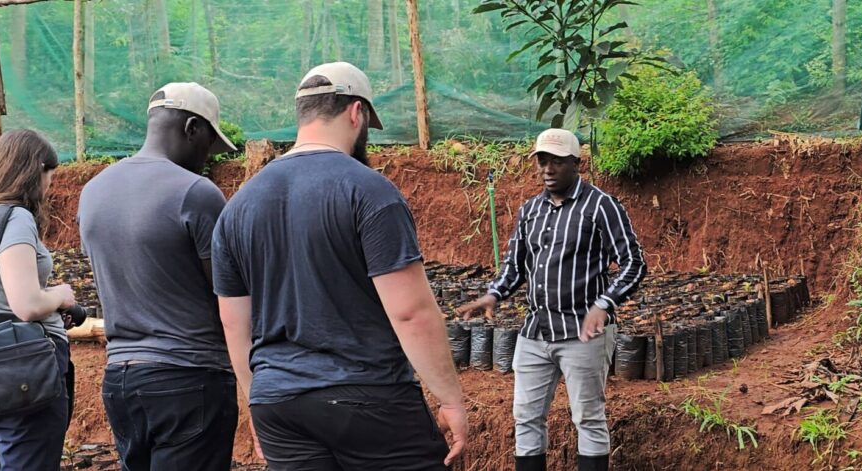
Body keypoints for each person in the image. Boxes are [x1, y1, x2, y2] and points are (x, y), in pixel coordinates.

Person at [212, 62, 467, 470]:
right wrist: (451, 399)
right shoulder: (368, 191)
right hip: (369, 398)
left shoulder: (238, 206)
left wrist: (256, 399)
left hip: (279, 404)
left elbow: (233, 323)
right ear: (356, 113)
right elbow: (411, 313)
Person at [456, 129, 646, 471]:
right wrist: (493, 294)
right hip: (535, 333)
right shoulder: (531, 210)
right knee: (526, 418)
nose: (548, 169)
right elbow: (514, 266)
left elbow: (634, 261)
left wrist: (604, 304)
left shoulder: (601, 206)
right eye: (542, 161)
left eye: (557, 161)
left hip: (582, 334)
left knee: (588, 418)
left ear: (577, 164)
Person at [78, 83, 239, 470]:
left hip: (120, 380)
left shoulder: (93, 190)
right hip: (189, 378)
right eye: (207, 145)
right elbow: (228, 292)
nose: (206, 158)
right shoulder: (197, 192)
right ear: (191, 129)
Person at [0, 129, 77, 470]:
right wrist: (60, 296)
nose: (49, 186)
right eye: (49, 175)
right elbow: (25, 304)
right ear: (36, 169)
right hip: (21, 362)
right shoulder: (15, 217)